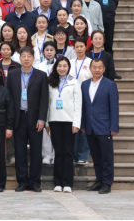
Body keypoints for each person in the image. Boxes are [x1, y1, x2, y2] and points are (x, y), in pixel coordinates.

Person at [6, 46, 49, 193]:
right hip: (19, 118)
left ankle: (35, 182)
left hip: (35, 119)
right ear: (19, 58)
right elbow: (9, 99)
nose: (26, 59)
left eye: (28, 56)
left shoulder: (41, 75)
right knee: (20, 152)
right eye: (23, 56)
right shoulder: (12, 75)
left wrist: (42, 119)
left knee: (36, 152)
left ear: (33, 58)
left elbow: (44, 100)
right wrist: (10, 121)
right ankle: (22, 182)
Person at [81, 59, 120, 195]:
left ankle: (107, 183)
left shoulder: (110, 85)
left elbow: (114, 107)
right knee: (96, 156)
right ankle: (99, 180)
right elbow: (83, 106)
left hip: (104, 126)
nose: (97, 70)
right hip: (90, 126)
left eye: (99, 67)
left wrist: (114, 126)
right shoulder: (84, 85)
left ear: (104, 69)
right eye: (94, 67)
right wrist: (83, 124)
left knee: (106, 157)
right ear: (90, 69)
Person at [46, 57, 82, 193]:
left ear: (68, 67)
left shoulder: (74, 82)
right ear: (55, 67)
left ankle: (67, 183)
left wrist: (76, 123)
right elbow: (47, 103)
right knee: (58, 152)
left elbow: (78, 104)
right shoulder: (51, 82)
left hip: (69, 121)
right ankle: (58, 183)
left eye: (64, 66)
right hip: (54, 121)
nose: (62, 68)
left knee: (67, 152)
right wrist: (47, 122)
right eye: (59, 66)